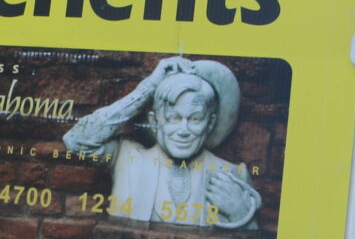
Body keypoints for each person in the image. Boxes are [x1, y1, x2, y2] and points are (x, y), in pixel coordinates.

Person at [59, 56, 262, 229]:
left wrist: (240, 213)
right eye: (174, 118)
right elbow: (76, 140)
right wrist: (148, 89)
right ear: (155, 121)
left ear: (210, 124)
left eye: (195, 119)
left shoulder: (232, 175)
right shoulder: (127, 158)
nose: (184, 130)